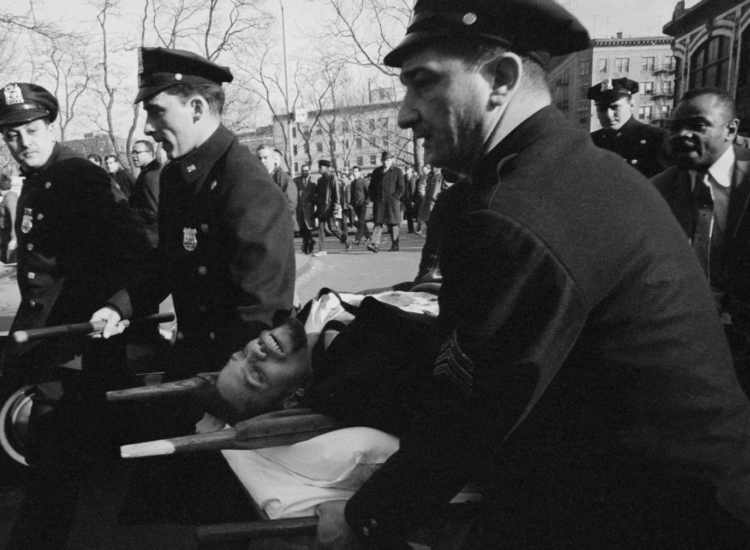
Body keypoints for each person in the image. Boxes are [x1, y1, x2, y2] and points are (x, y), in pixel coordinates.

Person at [304, 1, 750, 548]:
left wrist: (364, 518)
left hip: (658, 516)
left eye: (423, 84)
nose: (405, 114)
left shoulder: (515, 210)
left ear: (501, 79)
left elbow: (473, 408)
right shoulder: (570, 170)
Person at [0, 82, 152, 550]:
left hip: (77, 345)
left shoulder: (78, 175)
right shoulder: (38, 180)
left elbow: (135, 251)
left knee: (54, 466)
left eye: (32, 131)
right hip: (52, 345)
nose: (23, 143)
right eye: (12, 135)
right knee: (71, 467)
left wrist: (103, 310)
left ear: (49, 126)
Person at [92, 46, 295, 380]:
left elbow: (260, 315)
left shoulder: (247, 185)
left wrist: (228, 398)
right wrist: (119, 307)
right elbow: (168, 262)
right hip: (193, 363)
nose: (147, 127)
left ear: (197, 108)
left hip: (232, 374)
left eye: (157, 112)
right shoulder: (177, 176)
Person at [652, 88, 750, 395]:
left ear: (730, 130)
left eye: (698, 125)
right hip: (688, 341)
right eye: (675, 126)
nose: (682, 134)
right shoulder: (658, 190)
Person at [588, 77, 672, 178]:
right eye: (601, 109)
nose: (608, 115)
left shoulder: (657, 138)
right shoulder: (591, 142)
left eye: (614, 107)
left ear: (631, 105)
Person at [367, 152, 404, 252]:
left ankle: (395, 245)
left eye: (388, 160)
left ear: (391, 160)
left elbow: (401, 188)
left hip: (392, 202)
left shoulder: (397, 171)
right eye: (384, 160)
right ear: (381, 161)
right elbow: (371, 187)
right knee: (378, 223)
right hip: (379, 201)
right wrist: (374, 197)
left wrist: (395, 197)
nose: (386, 162)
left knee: (393, 223)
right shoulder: (376, 171)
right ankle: (375, 244)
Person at [257, 144, 298, 233]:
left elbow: (290, 203)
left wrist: (275, 220)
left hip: (280, 226)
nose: (262, 161)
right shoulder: (259, 177)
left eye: (265, 157)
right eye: (259, 158)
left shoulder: (283, 178)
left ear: (273, 158)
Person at [129, 139, 162, 247]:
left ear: (149, 153)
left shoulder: (150, 176)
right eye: (132, 153)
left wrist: (129, 212)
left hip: (152, 235)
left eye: (137, 152)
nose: (133, 156)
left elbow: (153, 211)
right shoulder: (147, 172)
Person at [314, 158, 345, 255]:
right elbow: (318, 195)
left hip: (329, 208)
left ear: (327, 168)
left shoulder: (333, 178)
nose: (319, 168)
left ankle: (346, 240)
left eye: (320, 167)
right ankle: (322, 250)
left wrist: (335, 208)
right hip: (321, 209)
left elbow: (337, 195)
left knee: (332, 227)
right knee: (321, 229)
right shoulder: (319, 180)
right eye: (319, 166)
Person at [0, 174, 19, 263]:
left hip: (10, 237)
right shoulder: (7, 198)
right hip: (5, 236)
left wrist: (14, 238)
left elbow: (14, 218)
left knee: (11, 265)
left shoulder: (10, 199)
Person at [295, 164, 317, 254]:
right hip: (299, 209)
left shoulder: (313, 183)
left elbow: (315, 196)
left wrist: (313, 205)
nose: (304, 172)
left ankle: (306, 245)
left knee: (308, 229)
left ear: (310, 171)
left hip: (309, 210)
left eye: (306, 170)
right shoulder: (296, 181)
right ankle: (309, 242)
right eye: (303, 170)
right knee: (302, 229)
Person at [348, 166, 371, 245]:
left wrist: (366, 202)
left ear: (359, 172)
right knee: (362, 222)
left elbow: (369, 193)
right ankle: (368, 237)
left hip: (362, 204)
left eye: (356, 171)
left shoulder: (364, 181)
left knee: (361, 221)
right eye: (353, 172)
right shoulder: (353, 183)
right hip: (356, 205)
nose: (354, 173)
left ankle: (357, 239)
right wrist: (351, 203)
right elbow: (352, 194)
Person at [413, 164, 430, 236]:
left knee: (424, 214)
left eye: (424, 169)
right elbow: (421, 187)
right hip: (425, 198)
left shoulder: (425, 176)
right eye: (423, 169)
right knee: (423, 214)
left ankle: (420, 229)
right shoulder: (425, 176)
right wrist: (423, 196)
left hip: (425, 197)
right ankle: (420, 229)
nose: (423, 171)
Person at [402, 165, 418, 233]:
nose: (407, 171)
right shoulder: (404, 177)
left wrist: (414, 200)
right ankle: (410, 229)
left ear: (411, 170)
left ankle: (419, 229)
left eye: (408, 169)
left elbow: (416, 189)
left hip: (414, 198)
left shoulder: (415, 177)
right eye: (406, 170)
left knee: (417, 214)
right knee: (409, 214)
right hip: (407, 199)